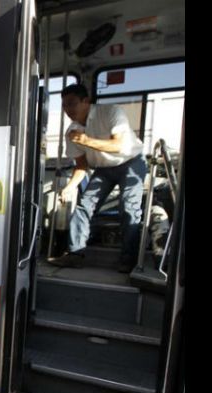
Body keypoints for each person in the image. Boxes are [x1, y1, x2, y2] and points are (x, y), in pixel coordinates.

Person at [48, 83, 146, 273]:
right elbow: (82, 165)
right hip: (103, 168)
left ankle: (129, 260)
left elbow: (119, 145)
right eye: (64, 106)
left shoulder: (111, 112)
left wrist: (86, 140)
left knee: (128, 207)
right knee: (84, 206)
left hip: (130, 162)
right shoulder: (72, 132)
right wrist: (69, 187)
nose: (68, 110)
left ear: (86, 101)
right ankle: (75, 254)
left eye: (72, 103)